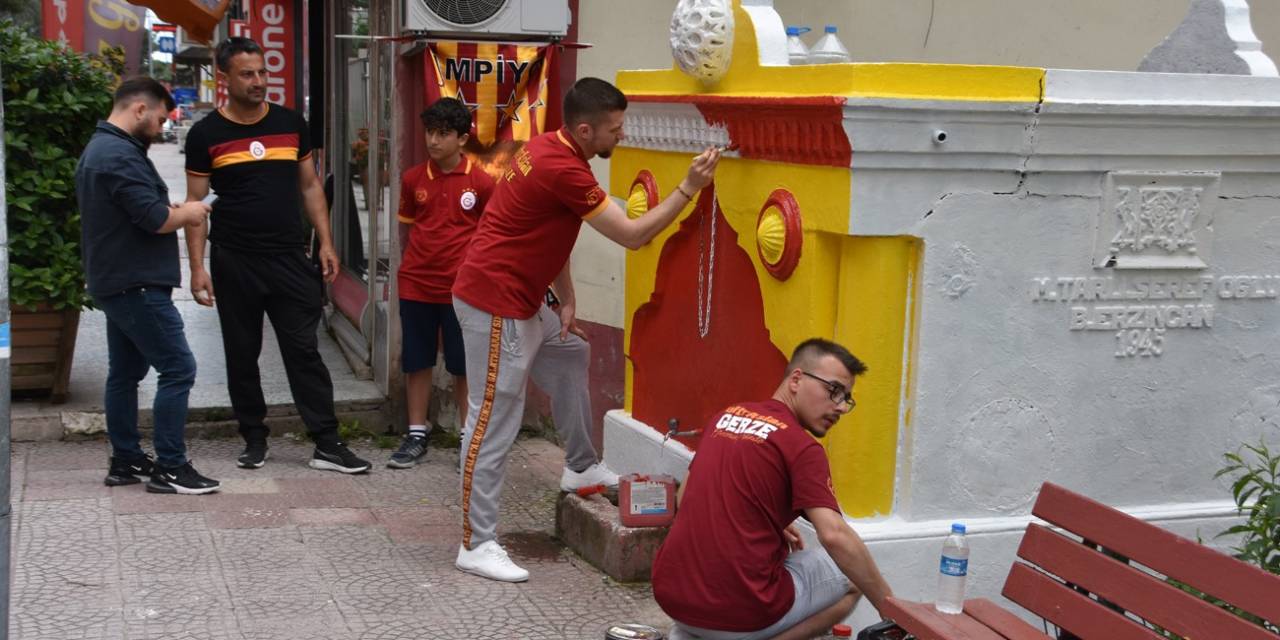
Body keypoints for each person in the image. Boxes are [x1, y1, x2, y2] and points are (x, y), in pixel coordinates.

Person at [450, 77, 720, 582]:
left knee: (571, 353)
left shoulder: (547, 147)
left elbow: (547, 228)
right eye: (614, 130)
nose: (620, 137)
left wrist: (567, 295)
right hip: (496, 305)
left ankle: (579, 466)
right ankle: (475, 542)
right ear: (584, 128)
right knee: (490, 422)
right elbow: (634, 236)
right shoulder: (563, 168)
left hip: (526, 301)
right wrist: (690, 187)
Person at [183, 37, 370, 474]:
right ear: (224, 78)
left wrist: (325, 241)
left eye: (263, 72)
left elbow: (309, 187)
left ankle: (326, 441)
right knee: (242, 352)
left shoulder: (290, 123)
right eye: (247, 74)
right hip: (234, 259)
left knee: (304, 349)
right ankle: (253, 436)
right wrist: (197, 269)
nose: (258, 81)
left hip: (288, 256)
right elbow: (195, 208)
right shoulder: (206, 134)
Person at [652, 338, 895, 640]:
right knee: (855, 575)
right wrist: (894, 610)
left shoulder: (726, 417)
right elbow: (835, 536)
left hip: (672, 597)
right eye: (833, 391)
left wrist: (763, 519)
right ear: (796, 379)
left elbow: (684, 496)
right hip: (742, 614)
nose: (840, 407)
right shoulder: (802, 446)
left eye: (847, 398)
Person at [75, 76, 219, 495]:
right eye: (159, 119)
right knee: (178, 368)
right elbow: (155, 221)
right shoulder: (119, 155)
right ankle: (171, 467)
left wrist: (167, 209)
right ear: (139, 109)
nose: (161, 128)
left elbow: (137, 210)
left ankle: (125, 460)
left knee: (125, 372)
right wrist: (190, 212)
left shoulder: (103, 149)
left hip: (117, 279)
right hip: (135, 282)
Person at [386, 98, 495, 469]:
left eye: (443, 133)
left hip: (462, 291)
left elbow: (490, 234)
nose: (433, 140)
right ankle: (417, 431)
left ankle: (468, 437)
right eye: (430, 132)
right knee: (417, 361)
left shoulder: (481, 181)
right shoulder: (413, 179)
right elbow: (408, 230)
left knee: (463, 365)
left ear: (462, 139)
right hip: (416, 285)